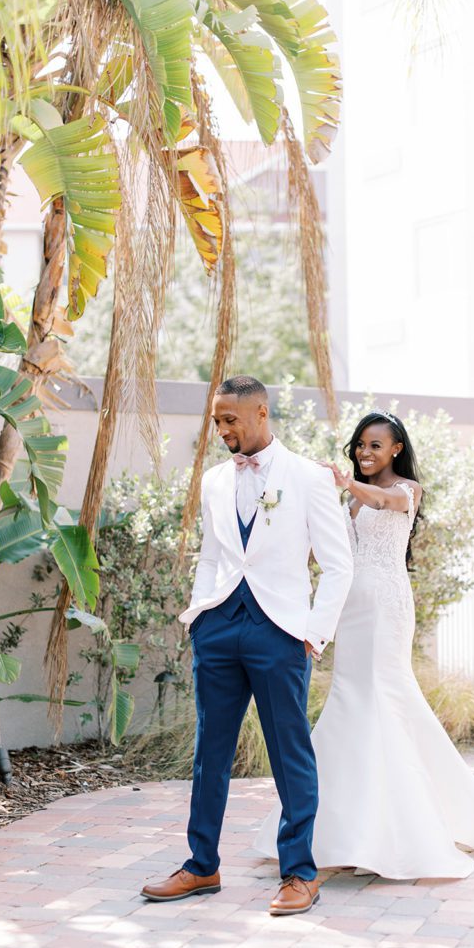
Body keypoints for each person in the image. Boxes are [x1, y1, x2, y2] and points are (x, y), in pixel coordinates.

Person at [254, 410, 474, 878]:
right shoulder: (349, 498)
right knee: (350, 702)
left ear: (396, 449)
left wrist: (345, 483)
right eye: (360, 444)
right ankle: (342, 831)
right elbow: (329, 549)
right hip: (348, 610)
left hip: (383, 610)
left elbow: (381, 500)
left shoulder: (404, 491)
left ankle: (398, 831)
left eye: (375, 445)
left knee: (382, 698)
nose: (364, 452)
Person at [141, 376, 353, 914]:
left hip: (280, 631)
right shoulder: (215, 480)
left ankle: (300, 873)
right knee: (209, 752)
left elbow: (337, 564)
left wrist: (312, 634)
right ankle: (201, 865)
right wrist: (199, 617)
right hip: (218, 627)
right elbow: (212, 556)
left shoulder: (307, 477)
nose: (222, 430)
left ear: (261, 412)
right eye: (216, 421)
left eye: (230, 419)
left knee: (290, 754)